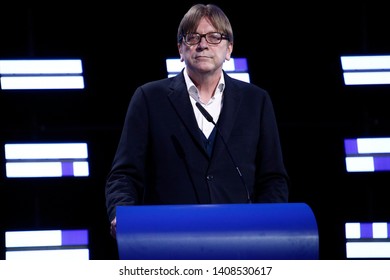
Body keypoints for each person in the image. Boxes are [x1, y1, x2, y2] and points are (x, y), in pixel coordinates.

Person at [105, 3, 289, 239]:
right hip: (168, 239)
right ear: (180, 49)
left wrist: (266, 228)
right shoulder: (149, 99)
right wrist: (124, 216)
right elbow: (124, 175)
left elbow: (273, 178)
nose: (203, 45)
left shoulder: (257, 101)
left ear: (229, 49)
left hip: (239, 240)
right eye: (193, 38)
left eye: (214, 37)